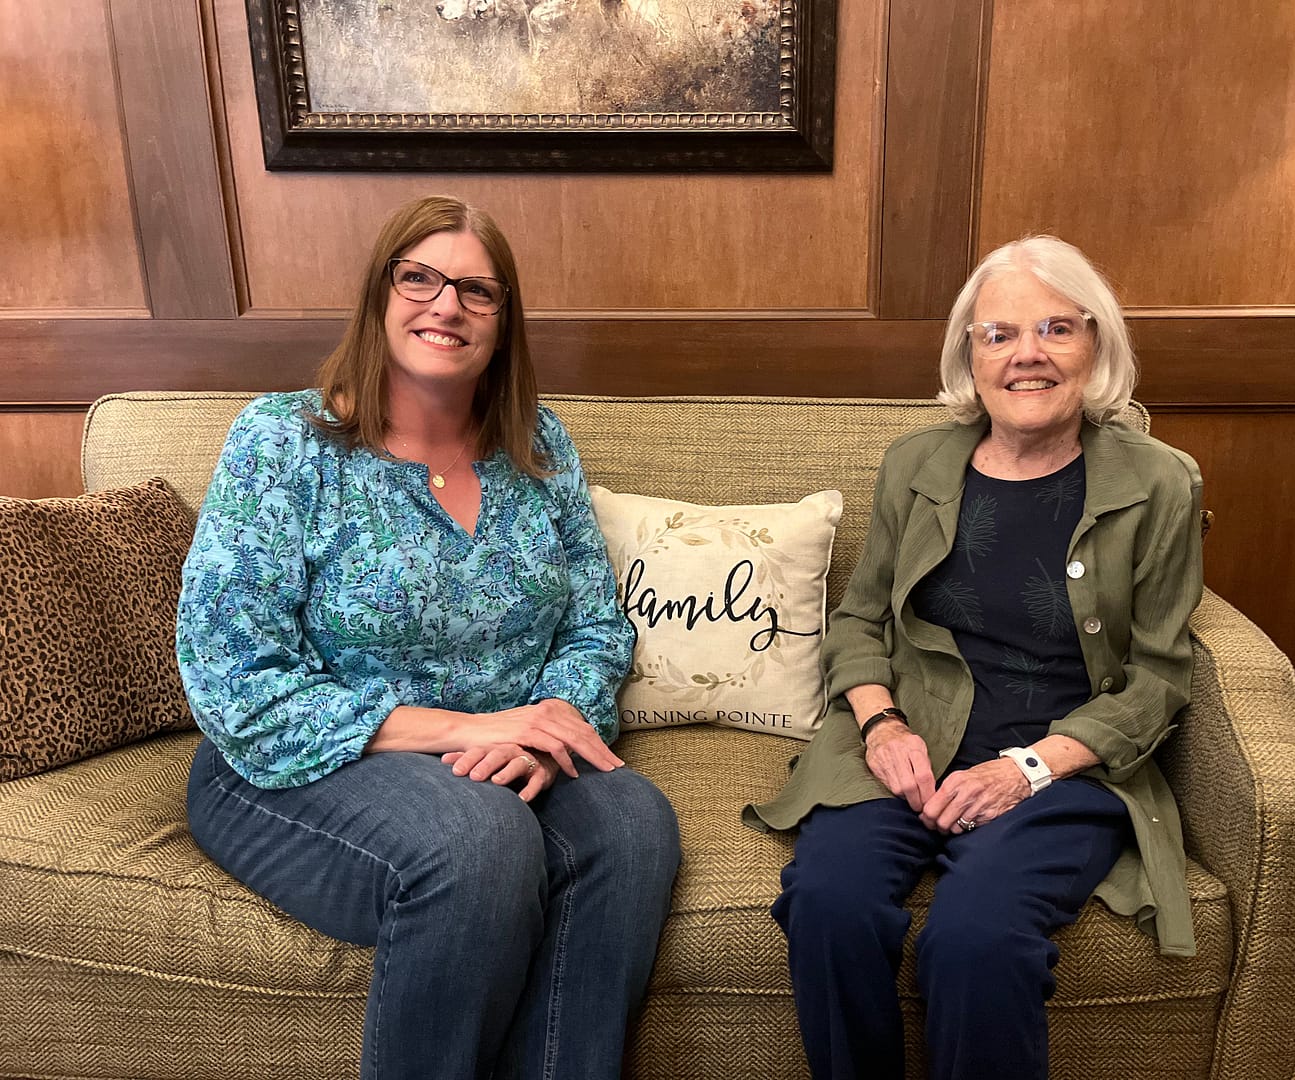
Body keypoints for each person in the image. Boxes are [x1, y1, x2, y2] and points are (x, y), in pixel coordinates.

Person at [178, 195, 680, 1080]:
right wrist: (475, 730)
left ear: (502, 322)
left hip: (505, 749)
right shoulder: (282, 444)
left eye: (477, 292)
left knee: (633, 820)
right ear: (381, 295)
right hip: (298, 763)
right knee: (479, 839)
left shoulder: (538, 444)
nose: (446, 306)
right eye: (420, 277)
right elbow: (234, 681)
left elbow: (596, 621)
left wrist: (554, 720)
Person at [744, 236, 1205, 1080]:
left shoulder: (1159, 483)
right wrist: (880, 724)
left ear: (1095, 345)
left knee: (976, 936)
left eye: (1056, 329)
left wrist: (1029, 768)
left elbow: (1160, 677)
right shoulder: (916, 466)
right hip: (908, 742)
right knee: (828, 903)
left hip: (1062, 768)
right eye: (999, 335)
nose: (1026, 354)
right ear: (971, 354)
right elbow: (858, 620)